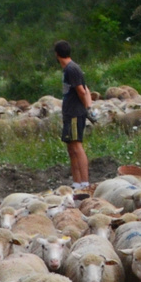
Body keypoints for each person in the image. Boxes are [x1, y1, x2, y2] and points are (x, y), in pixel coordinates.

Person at [55, 39, 93, 191]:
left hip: (75, 113)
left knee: (77, 146)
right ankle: (76, 183)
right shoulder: (70, 69)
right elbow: (85, 88)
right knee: (71, 147)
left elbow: (82, 91)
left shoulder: (72, 69)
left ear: (57, 54)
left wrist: (87, 108)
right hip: (69, 112)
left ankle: (85, 183)